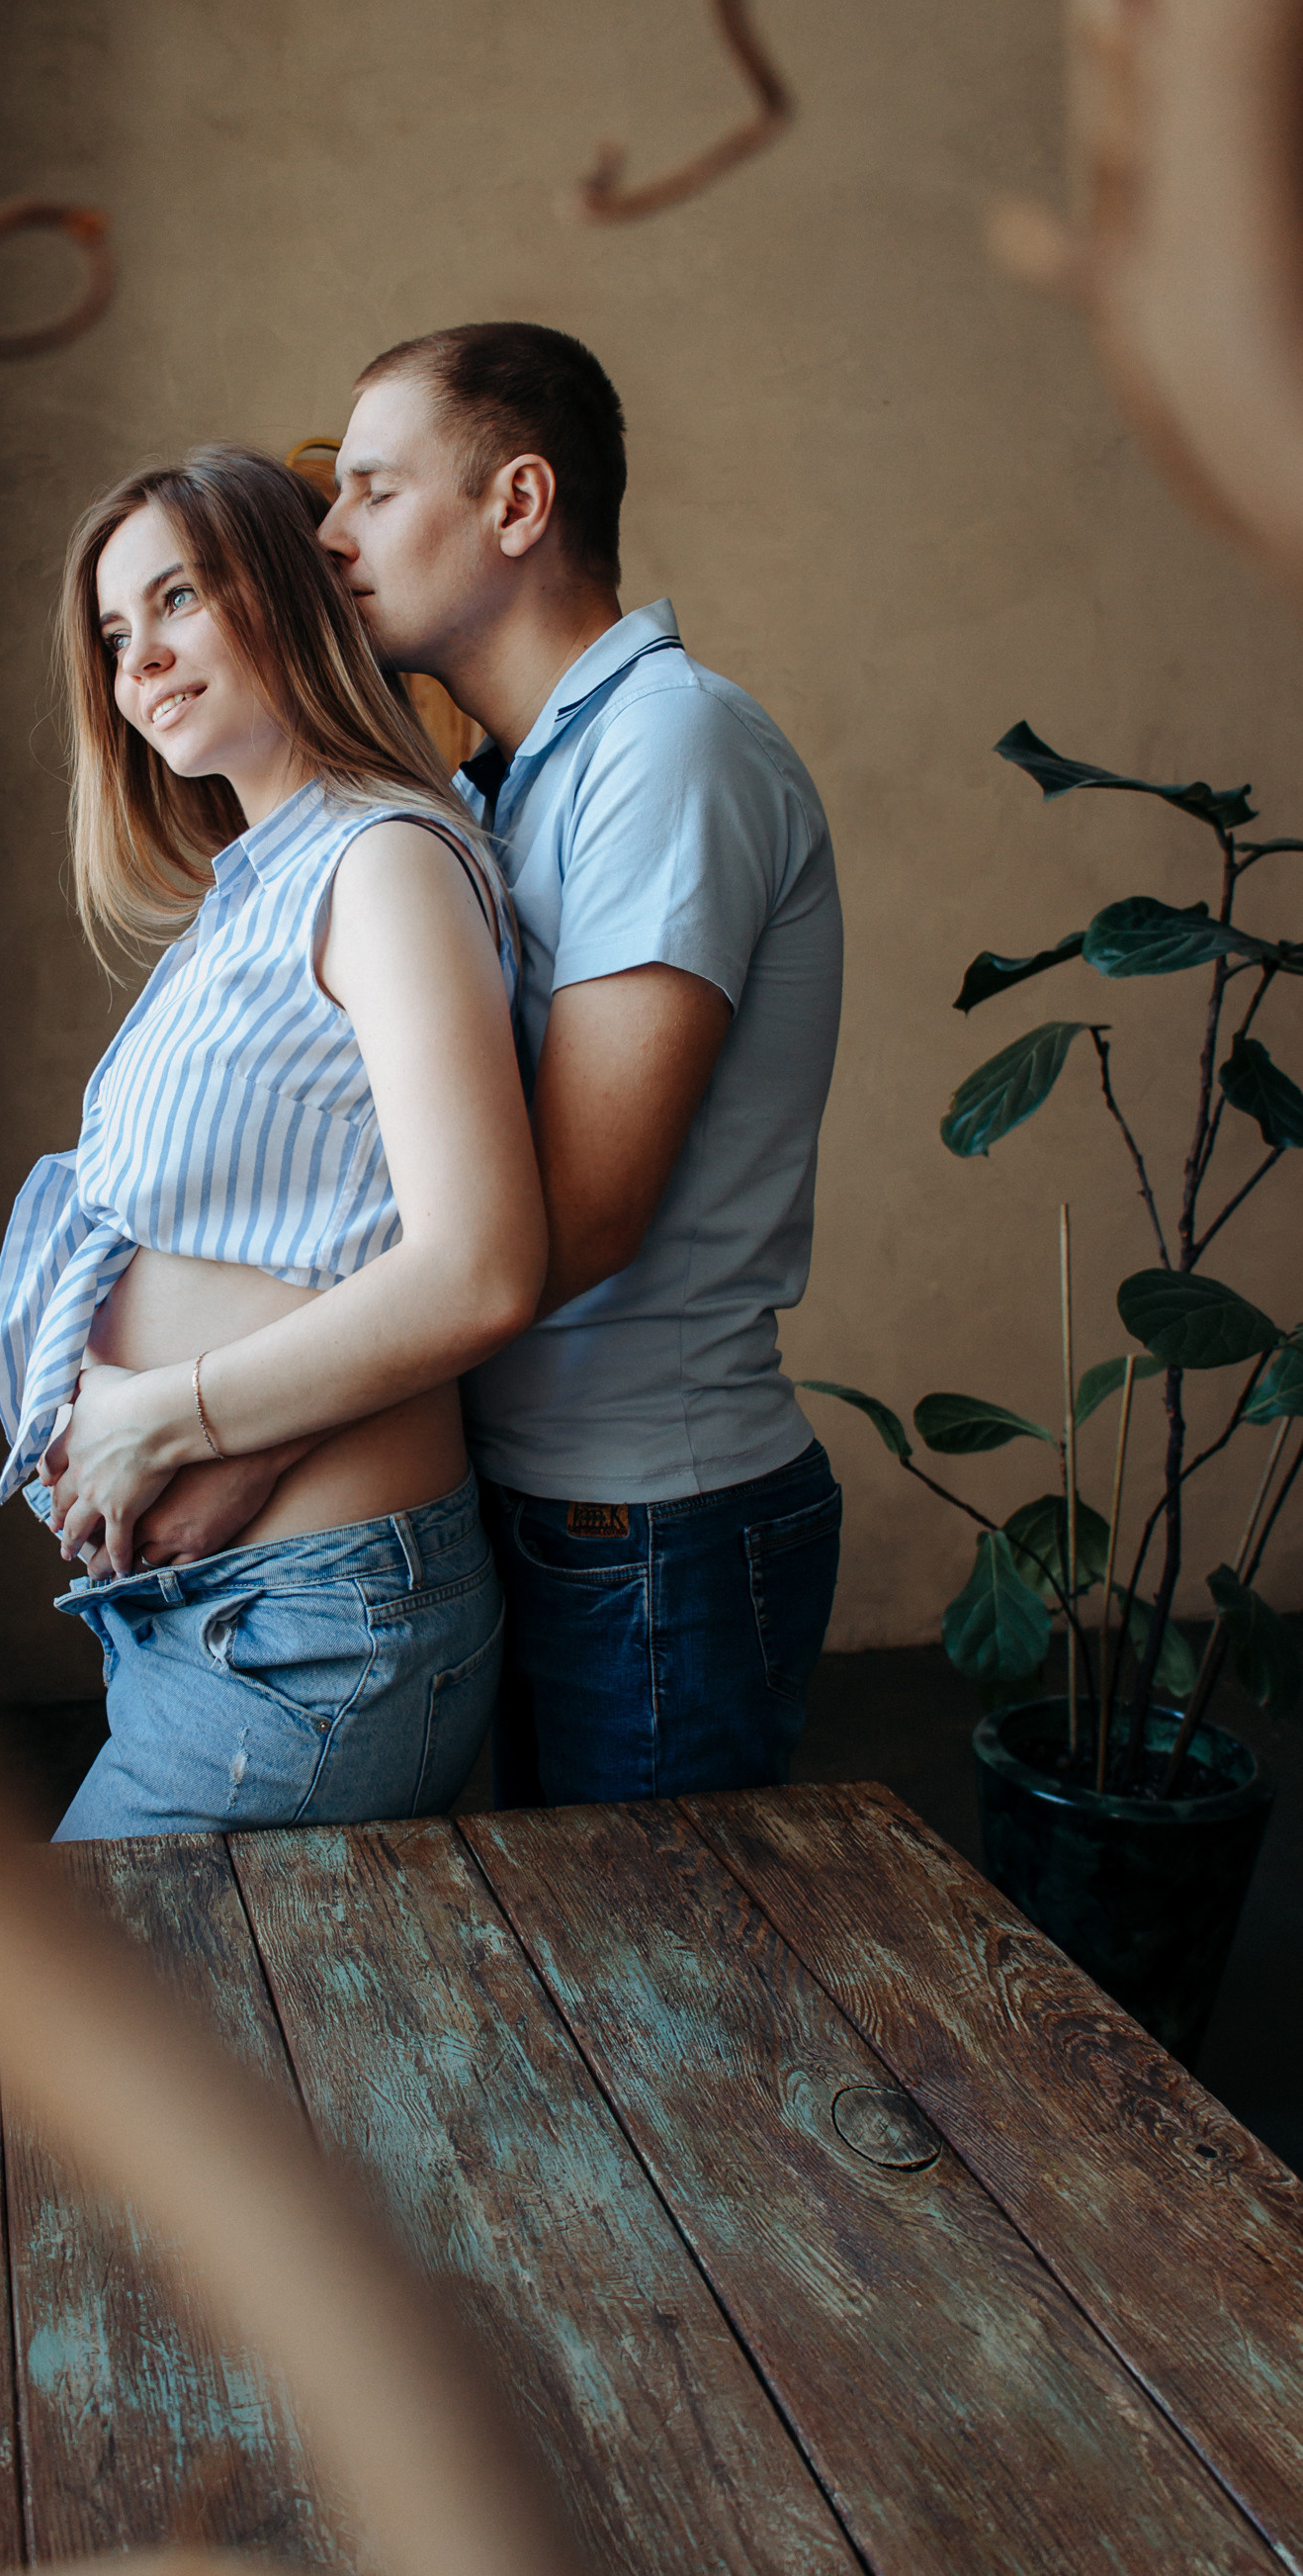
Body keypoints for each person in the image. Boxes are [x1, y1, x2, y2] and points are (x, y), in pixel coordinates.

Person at [140, 324, 844, 1807]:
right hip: (520, 1498)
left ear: (519, 504)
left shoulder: (670, 748)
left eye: (375, 490)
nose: (327, 537)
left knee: (648, 1951)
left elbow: (573, 1216)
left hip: (650, 1525)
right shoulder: (489, 786)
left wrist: (250, 1435)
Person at [0, 444, 545, 1840]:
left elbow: (480, 1269)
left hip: (314, 1628)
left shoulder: (385, 862)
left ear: (293, 595)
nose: (140, 659)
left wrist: (158, 1416)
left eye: (179, 598)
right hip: (217, 1612)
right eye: (115, 633)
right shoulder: (255, 888)